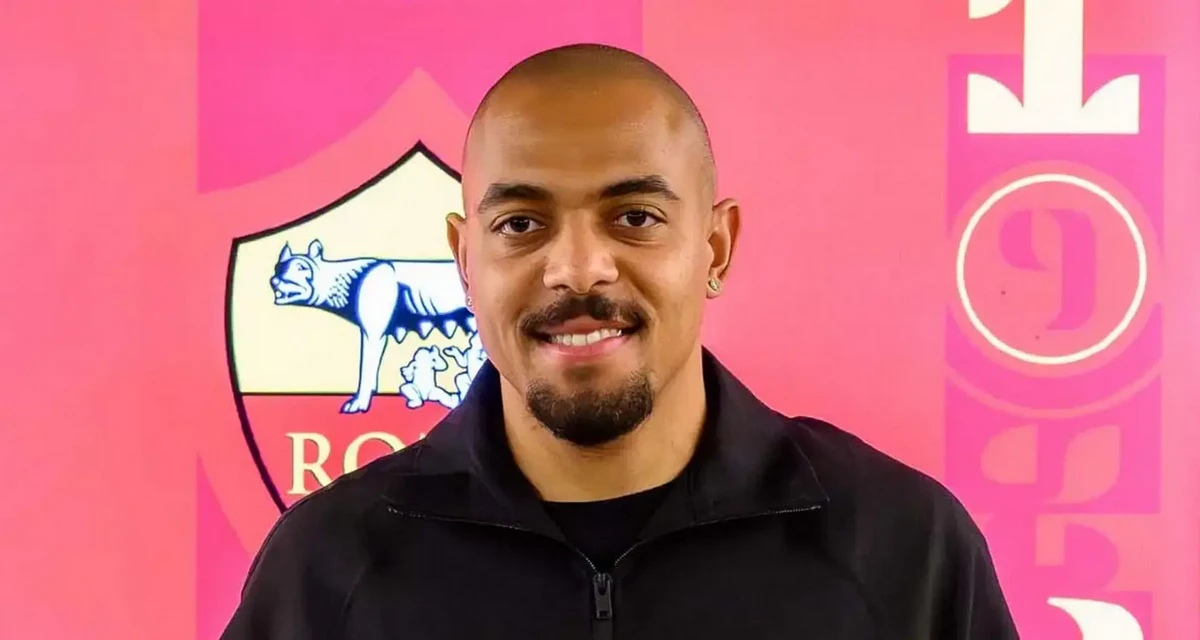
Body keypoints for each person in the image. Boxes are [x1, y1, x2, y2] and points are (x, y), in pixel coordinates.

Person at [221, 43, 1018, 640]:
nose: (576, 269)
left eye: (635, 217)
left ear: (715, 248)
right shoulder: (327, 566)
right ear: (466, 261)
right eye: (521, 224)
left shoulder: (902, 545)